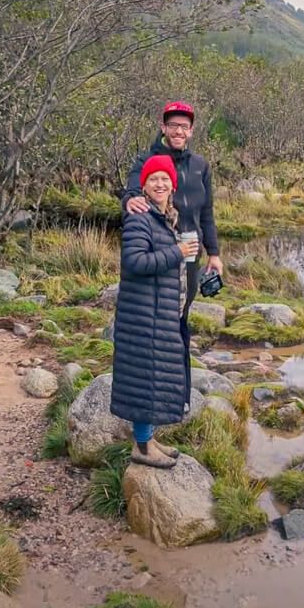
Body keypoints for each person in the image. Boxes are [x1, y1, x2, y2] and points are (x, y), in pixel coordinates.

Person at [111, 155, 200, 468]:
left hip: (157, 313)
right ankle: (142, 448)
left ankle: (147, 439)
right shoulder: (140, 218)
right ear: (144, 186)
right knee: (145, 379)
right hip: (142, 315)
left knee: (151, 378)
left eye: (165, 179)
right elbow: (135, 262)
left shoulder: (165, 217)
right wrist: (177, 252)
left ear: (173, 184)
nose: (160, 184)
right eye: (153, 179)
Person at [122, 101, 224, 321]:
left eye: (184, 126)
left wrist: (214, 253)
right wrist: (129, 200)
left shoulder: (200, 165)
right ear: (163, 127)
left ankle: (181, 354)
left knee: (183, 310)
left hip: (191, 252)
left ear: (191, 131)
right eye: (173, 125)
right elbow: (132, 193)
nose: (178, 131)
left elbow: (206, 212)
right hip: (161, 251)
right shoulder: (147, 160)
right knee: (162, 314)